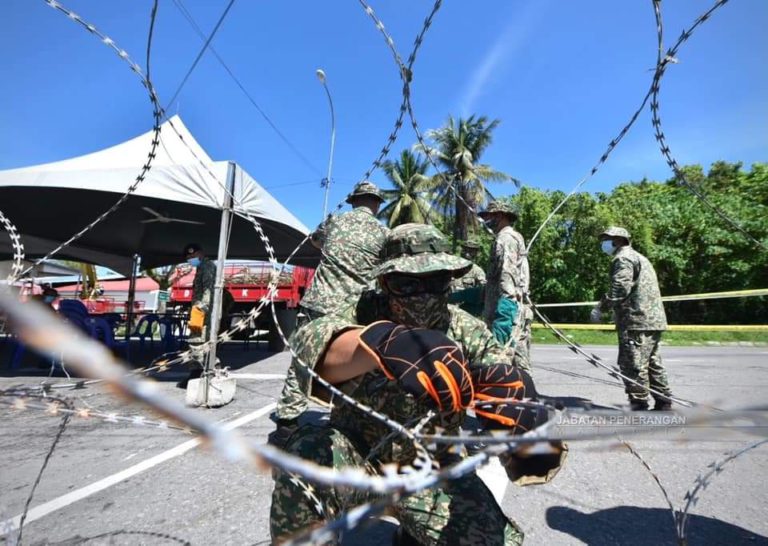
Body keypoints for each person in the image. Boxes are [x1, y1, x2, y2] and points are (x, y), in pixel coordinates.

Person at [270, 223, 566, 545]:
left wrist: (527, 435)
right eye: (406, 284)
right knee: (306, 458)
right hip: (358, 456)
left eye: (436, 281)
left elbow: (501, 377)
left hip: (431, 465)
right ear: (384, 282)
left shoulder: (466, 330)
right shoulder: (360, 312)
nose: (422, 295)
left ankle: (412, 532)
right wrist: (382, 341)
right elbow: (313, 344)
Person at [271, 181, 389, 439]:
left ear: (353, 201)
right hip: (355, 309)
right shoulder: (384, 233)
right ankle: (345, 417)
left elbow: (315, 240)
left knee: (303, 358)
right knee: (353, 363)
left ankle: (288, 420)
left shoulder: (334, 222)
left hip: (320, 302)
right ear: (377, 204)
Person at [591, 227, 673, 411]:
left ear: (619, 240)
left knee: (633, 364)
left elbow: (620, 288)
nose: (604, 243)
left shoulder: (623, 258)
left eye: (606, 239)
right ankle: (663, 402)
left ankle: (639, 404)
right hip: (652, 319)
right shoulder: (640, 257)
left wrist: (601, 308)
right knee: (653, 363)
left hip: (636, 320)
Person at [479, 200, 532, 372]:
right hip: (513, 311)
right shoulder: (510, 238)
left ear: (500, 216)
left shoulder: (505, 239)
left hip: (507, 314)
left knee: (504, 368)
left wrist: (504, 318)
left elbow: (507, 276)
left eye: (489, 216)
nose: (486, 221)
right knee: (519, 367)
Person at [178, 243, 217, 388]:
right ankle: (201, 372)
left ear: (201, 253)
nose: (191, 258)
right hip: (200, 310)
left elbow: (208, 289)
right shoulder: (201, 267)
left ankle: (198, 374)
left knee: (198, 341)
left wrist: (201, 308)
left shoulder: (207, 267)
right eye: (188, 257)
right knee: (200, 341)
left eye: (193, 255)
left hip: (203, 312)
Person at [449, 239, 486, 316]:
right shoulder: (451, 267)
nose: (467, 254)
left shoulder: (477, 271)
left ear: (476, 253)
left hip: (465, 311)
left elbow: (482, 293)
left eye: (471, 251)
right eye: (465, 250)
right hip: (448, 306)